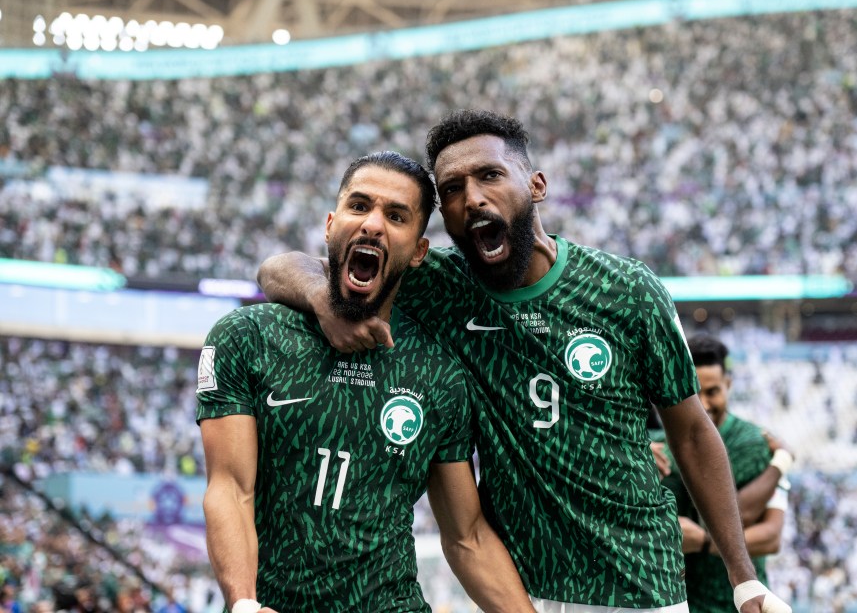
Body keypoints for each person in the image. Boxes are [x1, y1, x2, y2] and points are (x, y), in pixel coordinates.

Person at [258, 110, 791, 613]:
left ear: (536, 185)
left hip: (638, 584)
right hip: (521, 589)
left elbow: (693, 434)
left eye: (489, 175)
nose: (473, 198)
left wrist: (744, 579)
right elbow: (279, 268)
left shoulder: (627, 290)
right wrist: (325, 301)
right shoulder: (441, 287)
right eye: (453, 190)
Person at [198, 151, 533, 613]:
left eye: (396, 216)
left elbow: (468, 536)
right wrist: (244, 605)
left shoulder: (440, 374)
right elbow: (230, 490)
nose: (373, 225)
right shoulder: (249, 338)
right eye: (359, 207)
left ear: (418, 251)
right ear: (331, 223)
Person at [653, 334, 792, 613]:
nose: (703, 403)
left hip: (740, 604)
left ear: (728, 385)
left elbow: (765, 533)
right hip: (677, 603)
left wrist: (702, 542)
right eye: (695, 392)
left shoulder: (753, 443)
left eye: (713, 391)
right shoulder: (655, 447)